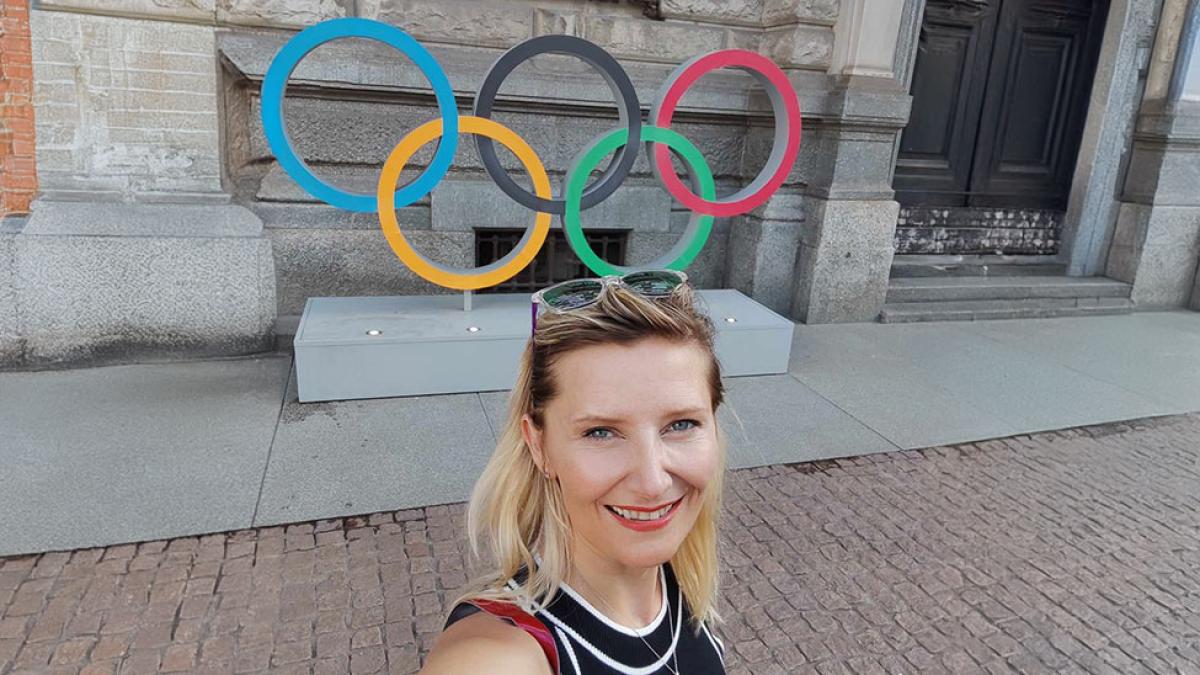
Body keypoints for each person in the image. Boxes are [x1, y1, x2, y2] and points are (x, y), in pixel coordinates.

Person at [419, 270, 728, 674]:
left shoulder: (681, 586)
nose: (653, 483)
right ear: (539, 445)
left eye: (682, 424)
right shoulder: (500, 654)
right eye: (601, 432)